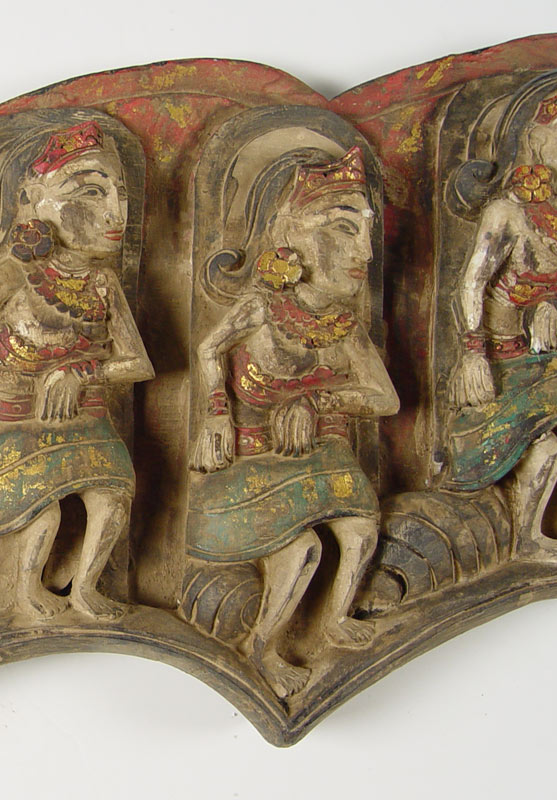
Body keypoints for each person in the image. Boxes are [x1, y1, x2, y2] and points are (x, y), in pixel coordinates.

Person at [188, 145, 399, 698]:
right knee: (302, 547)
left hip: (321, 459)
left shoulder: (342, 325)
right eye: (344, 229)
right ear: (291, 236)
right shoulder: (261, 307)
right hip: (256, 457)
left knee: (360, 531)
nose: (365, 251)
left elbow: (384, 398)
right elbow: (209, 349)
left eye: (367, 232)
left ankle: (335, 620)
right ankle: (262, 645)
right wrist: (216, 416)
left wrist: (319, 404)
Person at [0, 121, 154, 621]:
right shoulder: (16, 271)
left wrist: (83, 373)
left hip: (85, 417)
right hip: (17, 417)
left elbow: (139, 363)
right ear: (35, 200)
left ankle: (85, 588)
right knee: (44, 509)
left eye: (121, 195)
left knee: (112, 495)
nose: (116, 213)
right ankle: (26, 589)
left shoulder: (102, 283)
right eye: (91, 192)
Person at [448, 73, 557, 563]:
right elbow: (472, 283)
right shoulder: (510, 214)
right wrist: (473, 353)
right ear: (542, 145)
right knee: (545, 451)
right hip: (509, 356)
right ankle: (527, 535)